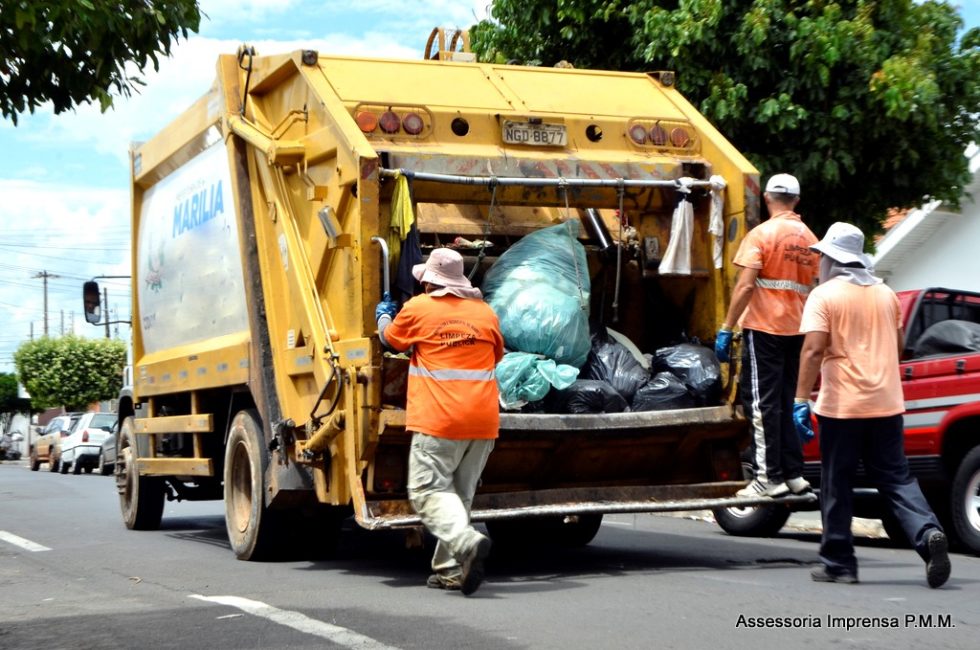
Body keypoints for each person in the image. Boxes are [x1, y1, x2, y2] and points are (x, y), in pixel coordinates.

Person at [794, 222, 950, 587]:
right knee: (896, 478)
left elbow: (814, 349)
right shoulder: (887, 295)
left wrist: (800, 399)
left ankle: (839, 563)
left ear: (832, 259)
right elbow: (896, 349)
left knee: (836, 482)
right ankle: (928, 535)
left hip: (843, 406)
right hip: (887, 403)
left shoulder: (825, 296)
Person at [376, 248, 505, 595]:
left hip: (440, 420)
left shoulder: (419, 308)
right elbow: (496, 356)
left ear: (429, 281)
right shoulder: (485, 314)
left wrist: (383, 318)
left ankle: (464, 541)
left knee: (426, 490)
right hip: (483, 421)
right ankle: (449, 570)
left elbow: (391, 341)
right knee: (459, 495)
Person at [715, 173, 818, 497]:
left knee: (761, 403)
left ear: (767, 198)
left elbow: (746, 285)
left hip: (765, 329)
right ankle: (793, 475)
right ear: (797, 201)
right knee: (787, 402)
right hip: (798, 330)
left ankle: (767, 478)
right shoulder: (811, 240)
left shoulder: (762, 235)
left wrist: (726, 327)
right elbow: (814, 287)